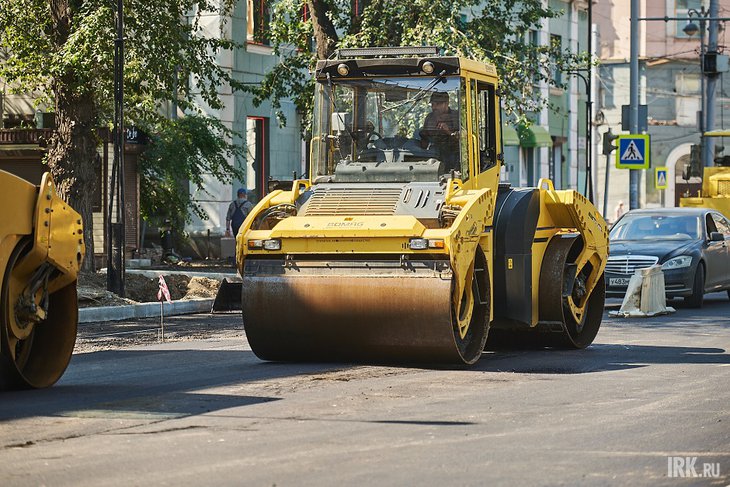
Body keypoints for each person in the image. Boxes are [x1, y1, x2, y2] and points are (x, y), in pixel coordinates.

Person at [419, 91, 460, 170]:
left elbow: (464, 141)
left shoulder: (456, 116)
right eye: (432, 104)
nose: (434, 107)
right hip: (433, 157)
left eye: (437, 104)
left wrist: (448, 131)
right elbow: (424, 143)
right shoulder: (429, 118)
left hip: (454, 157)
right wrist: (424, 136)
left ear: (446, 103)